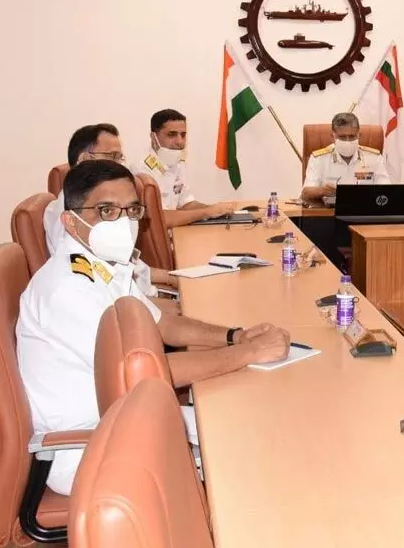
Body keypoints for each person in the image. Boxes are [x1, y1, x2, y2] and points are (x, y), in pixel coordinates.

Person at [18, 160, 291, 495]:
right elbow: (143, 374)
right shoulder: (68, 288)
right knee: (253, 458)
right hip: (89, 448)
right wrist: (247, 354)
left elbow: (161, 325)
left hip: (126, 416)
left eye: (132, 210)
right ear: (71, 223)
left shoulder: (104, 267)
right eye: (106, 210)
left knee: (259, 427)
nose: (123, 222)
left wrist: (234, 336)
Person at [44, 124, 177, 309]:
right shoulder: (75, 214)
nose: (119, 165)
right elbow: (103, 293)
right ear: (84, 159)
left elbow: (130, 266)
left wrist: (173, 278)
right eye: (112, 156)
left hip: (138, 299)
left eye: (120, 158)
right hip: (121, 309)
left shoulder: (105, 208)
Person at [136, 108, 235, 227]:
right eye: (172, 134)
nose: (179, 141)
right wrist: (206, 212)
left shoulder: (178, 162)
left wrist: (216, 210)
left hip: (176, 233)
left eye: (183, 135)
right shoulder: (141, 171)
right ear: (153, 137)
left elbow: (185, 204)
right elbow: (158, 218)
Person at [301, 112, 391, 203]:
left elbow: (387, 191)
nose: (347, 141)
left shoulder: (373, 158)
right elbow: (305, 193)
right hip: (329, 213)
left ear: (359, 135)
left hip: (365, 211)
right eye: (342, 137)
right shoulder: (319, 159)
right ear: (333, 136)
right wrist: (323, 191)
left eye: (352, 136)